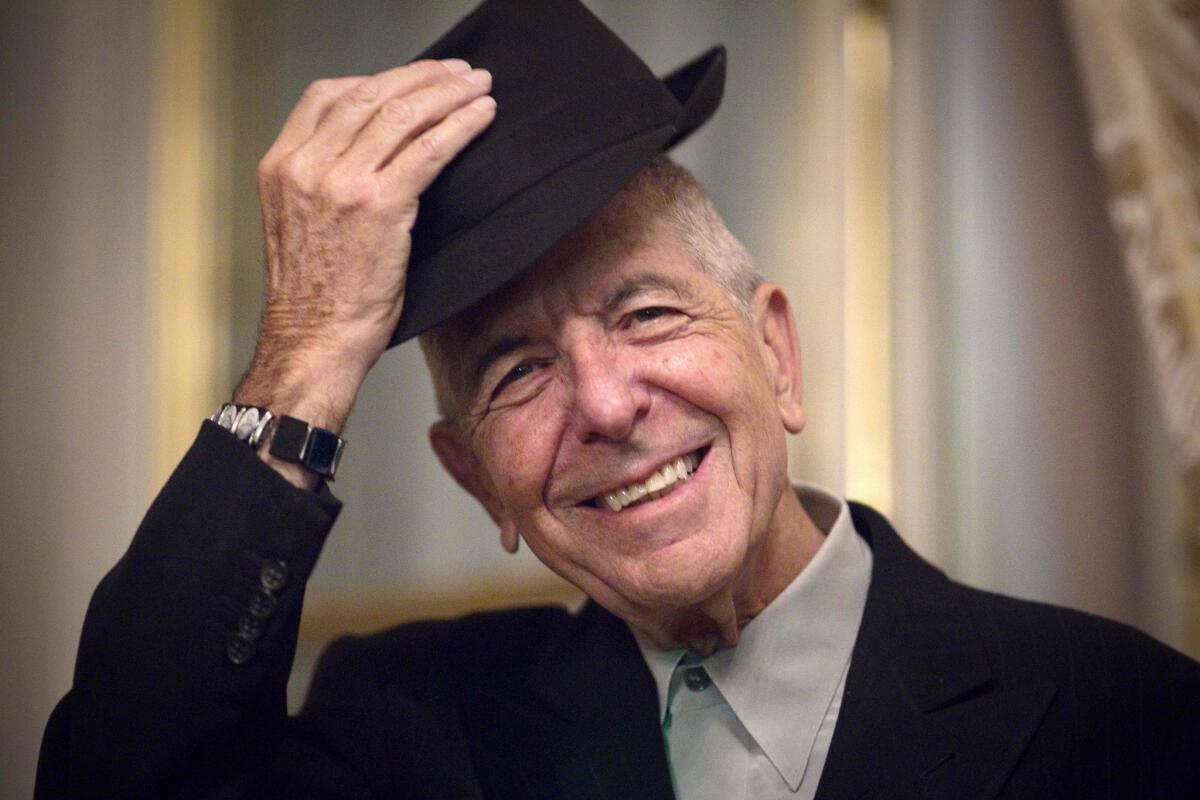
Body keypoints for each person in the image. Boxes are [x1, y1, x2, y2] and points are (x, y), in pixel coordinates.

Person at [36, 1, 1200, 798]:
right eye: (517, 371)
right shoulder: (409, 727)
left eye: (645, 312)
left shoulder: (1130, 719)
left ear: (777, 354)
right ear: (474, 475)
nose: (603, 400)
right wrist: (306, 352)